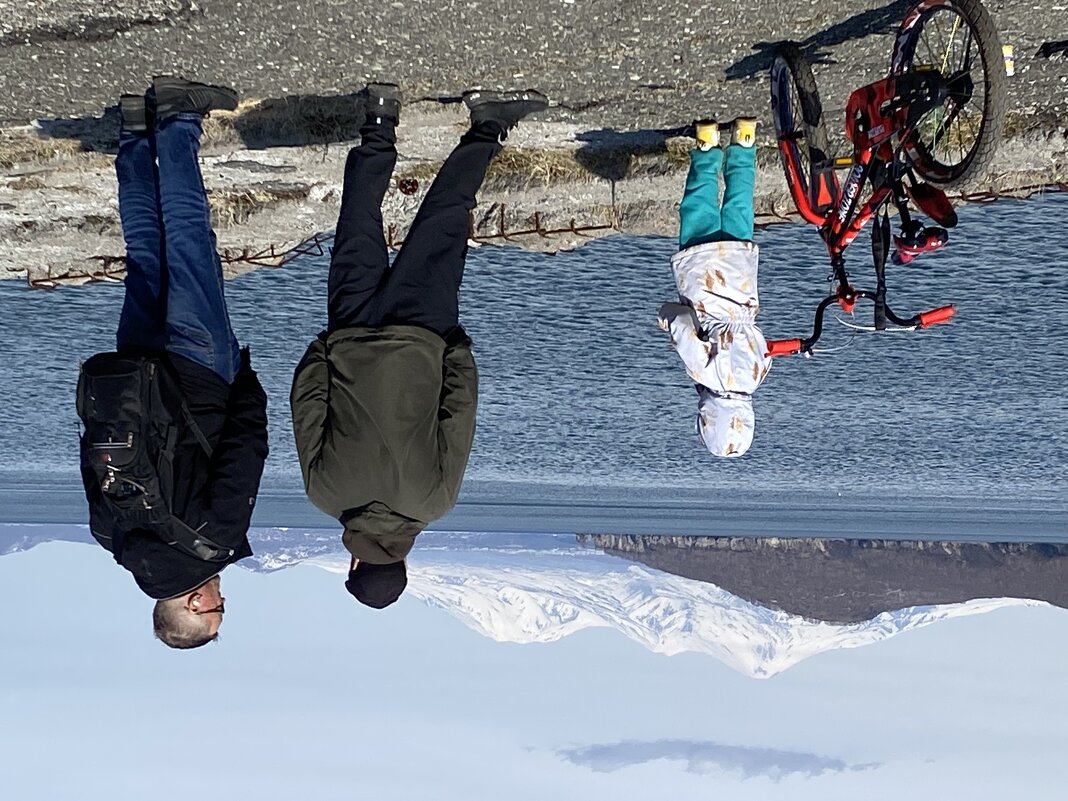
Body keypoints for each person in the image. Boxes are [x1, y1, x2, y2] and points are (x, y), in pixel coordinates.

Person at [291, 83, 548, 609]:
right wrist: (325, 346)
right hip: (349, 332)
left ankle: (487, 125)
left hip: (423, 337)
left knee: (444, 221)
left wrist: (454, 349)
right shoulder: (324, 494)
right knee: (357, 223)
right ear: (354, 563)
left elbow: (459, 414)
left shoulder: (434, 502)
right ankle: (379, 120)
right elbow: (307, 405)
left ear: (402, 562)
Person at [77, 76, 269, 648]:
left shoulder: (214, 542)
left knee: (188, 245)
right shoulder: (113, 539)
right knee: (144, 253)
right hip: (134, 374)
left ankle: (180, 119)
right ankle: (134, 129)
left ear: (193, 603)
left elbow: (244, 451)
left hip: (200, 375)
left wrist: (247, 383)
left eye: (217, 608)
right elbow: (92, 454)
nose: (222, 599)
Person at [658, 118, 772, 457]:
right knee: (699, 210)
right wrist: (665, 316)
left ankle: (744, 142)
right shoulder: (705, 373)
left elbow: (762, 344)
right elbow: (680, 324)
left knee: (740, 209)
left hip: (741, 276)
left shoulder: (758, 375)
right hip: (703, 278)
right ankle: (707, 147)